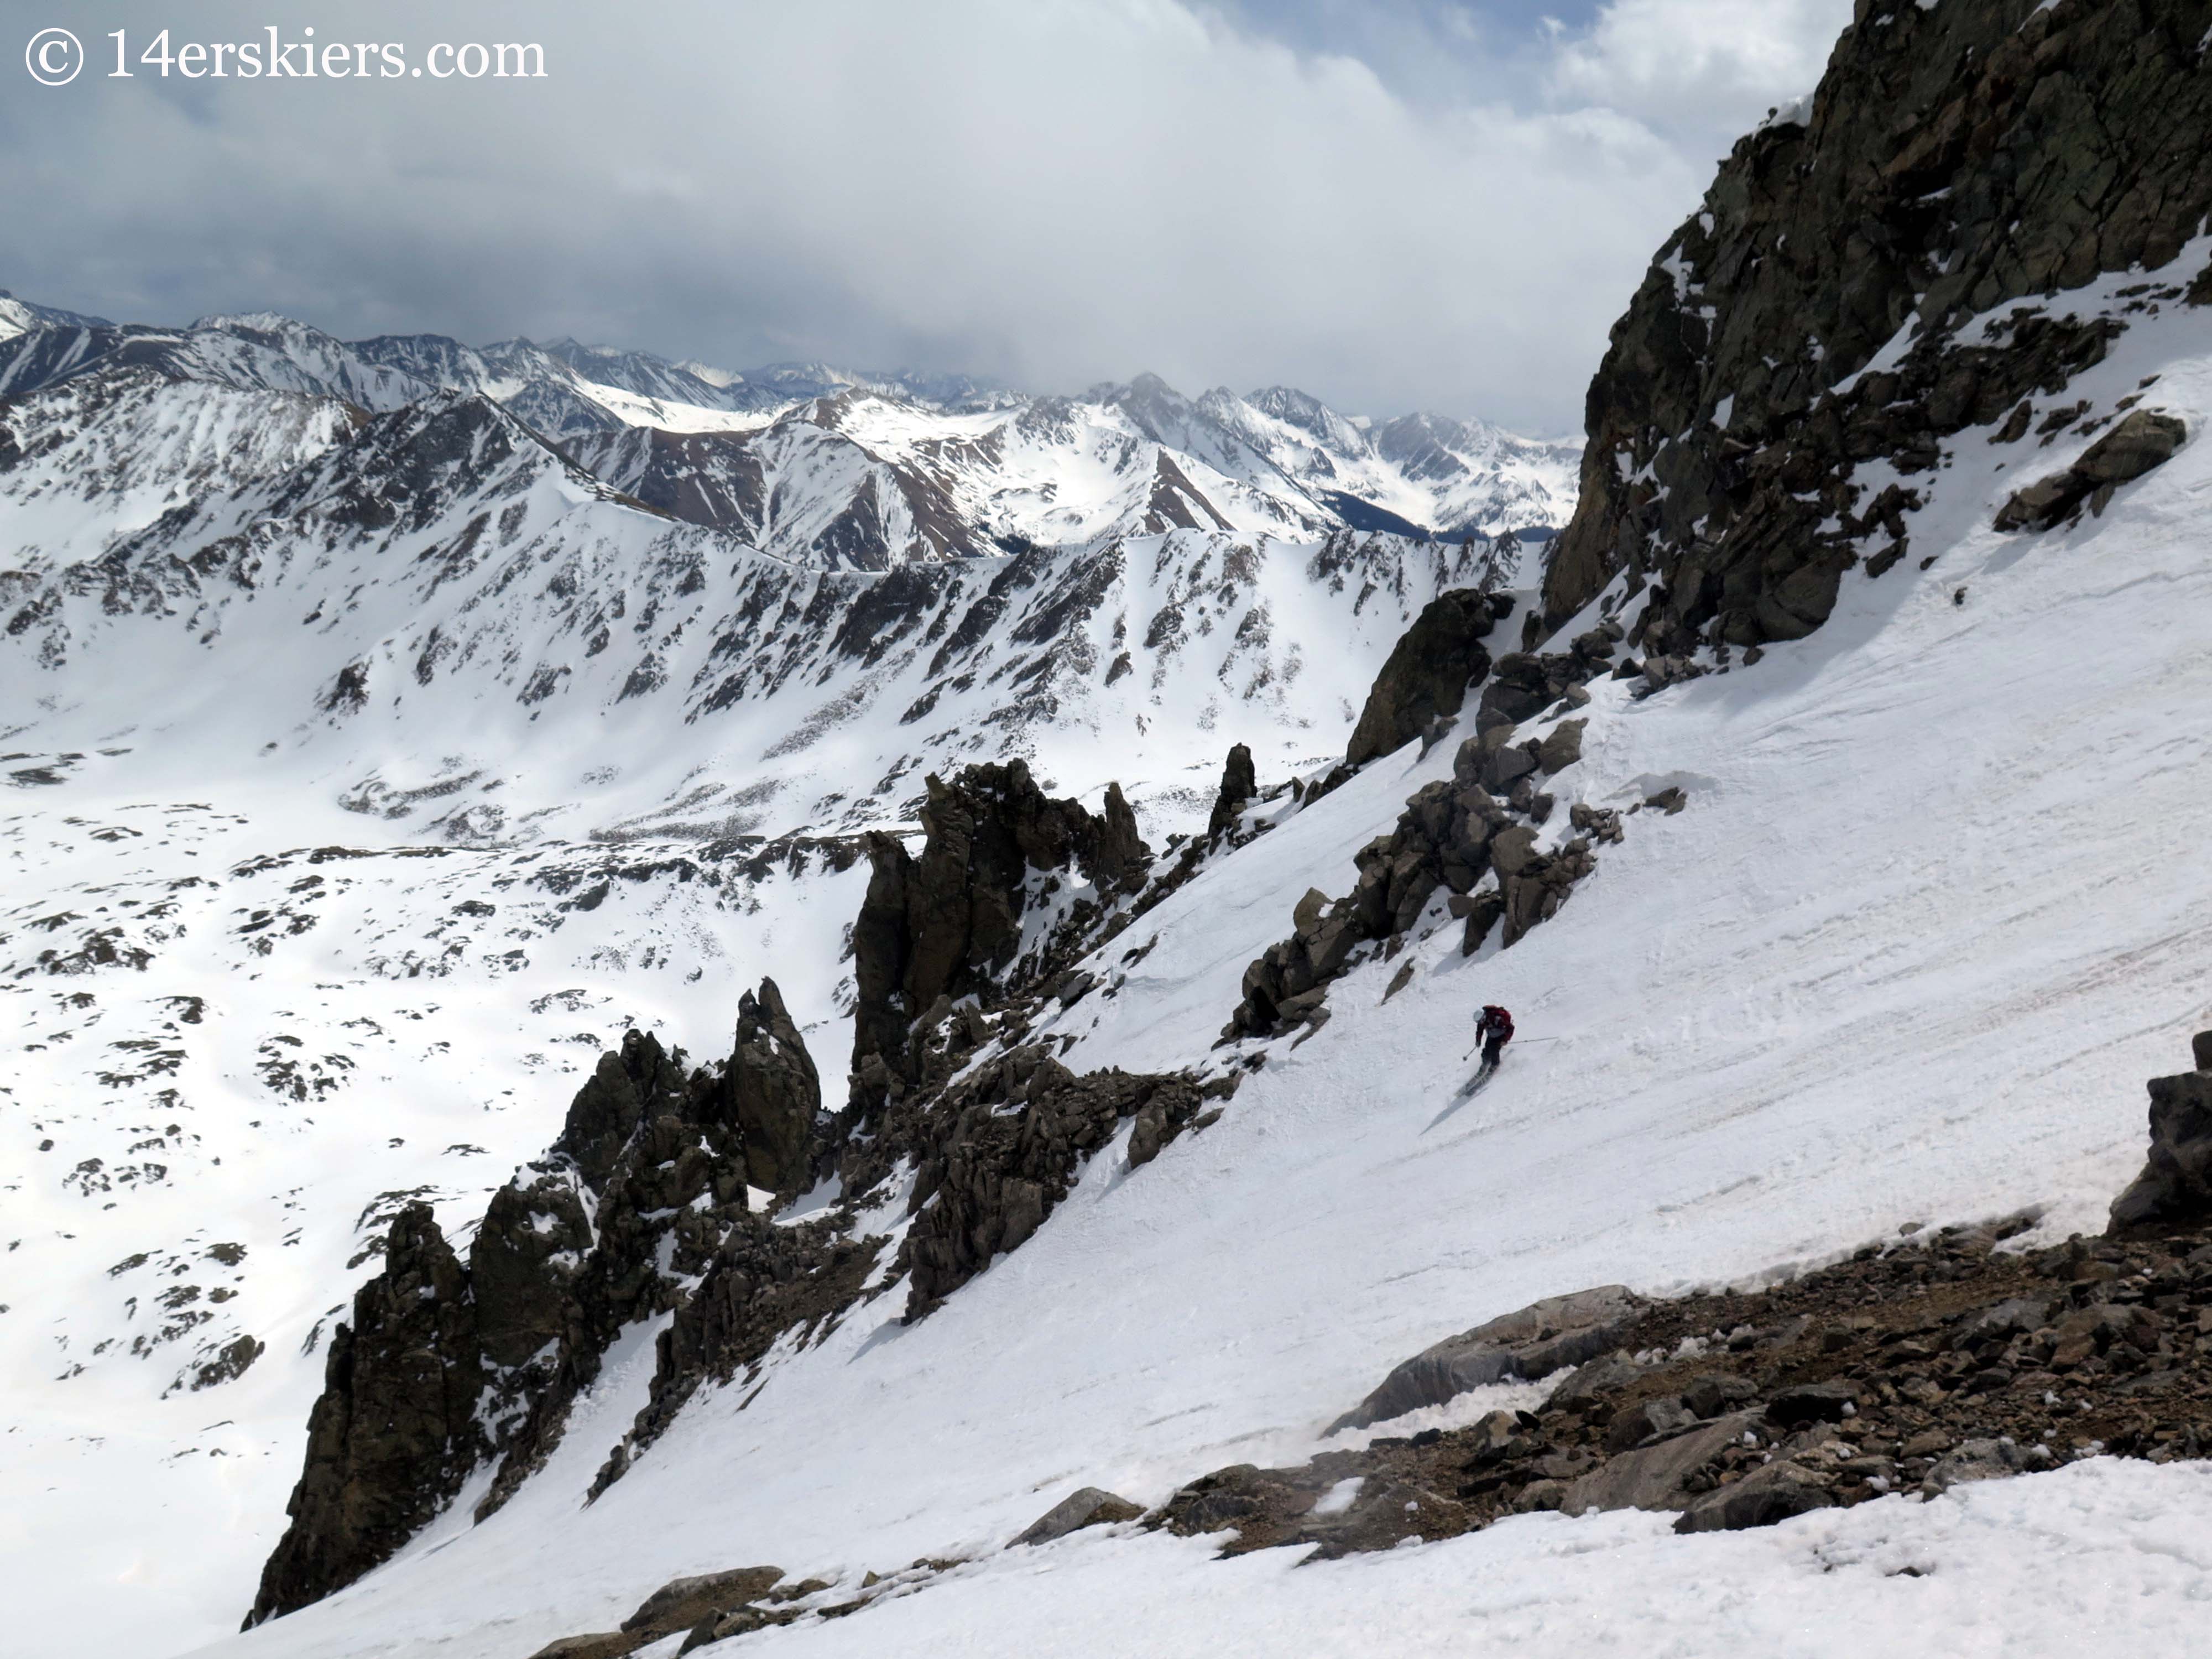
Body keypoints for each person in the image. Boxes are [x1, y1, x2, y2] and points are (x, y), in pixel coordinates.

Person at [1474, 1004, 1514, 1072]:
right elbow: (1479, 1031)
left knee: (1494, 1049)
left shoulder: (1497, 1019)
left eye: (1481, 1021)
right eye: (1479, 1022)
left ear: (1484, 1017)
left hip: (1501, 1035)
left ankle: (1495, 1064)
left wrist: (1505, 1040)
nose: (1480, 1023)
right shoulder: (1482, 1021)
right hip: (1492, 1035)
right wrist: (1478, 1041)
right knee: (1486, 1050)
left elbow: (1511, 1028)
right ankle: (1485, 1063)